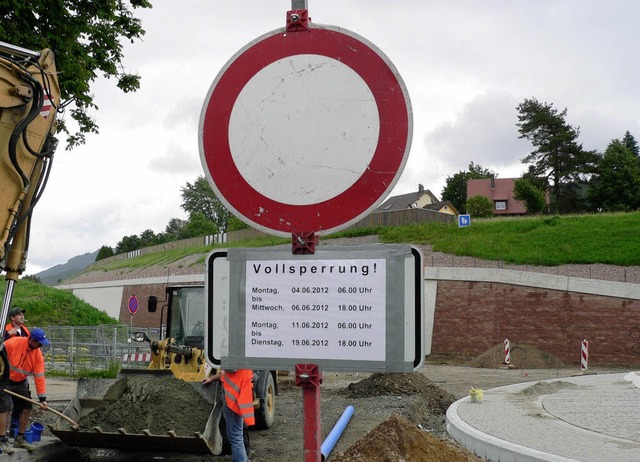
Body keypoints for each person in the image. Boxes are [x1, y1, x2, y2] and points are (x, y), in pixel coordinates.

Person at [0, 328, 50, 453]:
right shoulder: (12, 343)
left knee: (26, 408)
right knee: (5, 408)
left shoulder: (37, 354)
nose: (41, 346)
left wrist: (42, 399)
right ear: (32, 340)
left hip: (20, 382)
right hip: (4, 380)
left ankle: (19, 439)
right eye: (39, 343)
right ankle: (2, 441)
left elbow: (39, 377)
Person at [203, 369, 254, 462]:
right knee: (235, 435)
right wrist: (211, 378)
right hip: (237, 400)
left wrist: (213, 377)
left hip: (233, 402)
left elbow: (227, 371)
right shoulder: (243, 365)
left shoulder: (234, 363)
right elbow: (224, 373)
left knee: (235, 437)